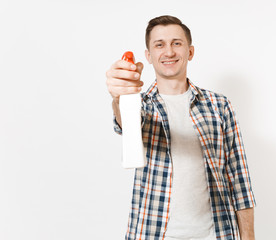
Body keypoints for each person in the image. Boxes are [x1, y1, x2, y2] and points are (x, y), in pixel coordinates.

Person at [106, 15, 256, 240]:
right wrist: (121, 98)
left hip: (216, 234)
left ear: (190, 52)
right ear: (149, 56)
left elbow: (240, 180)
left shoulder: (219, 106)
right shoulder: (141, 106)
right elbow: (126, 122)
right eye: (159, 44)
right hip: (153, 234)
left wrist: (249, 237)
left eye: (177, 43)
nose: (169, 52)